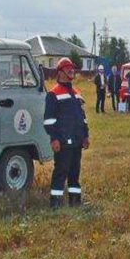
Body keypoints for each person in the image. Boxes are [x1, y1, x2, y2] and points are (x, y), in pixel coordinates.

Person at [43, 57, 89, 207]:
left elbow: (82, 117)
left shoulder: (76, 92)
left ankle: (75, 202)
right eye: (68, 68)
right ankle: (55, 203)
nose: (72, 70)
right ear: (60, 72)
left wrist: (86, 135)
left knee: (74, 174)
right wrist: (54, 138)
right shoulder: (53, 94)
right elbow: (49, 120)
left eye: (72, 68)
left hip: (77, 141)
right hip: (63, 142)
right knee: (60, 173)